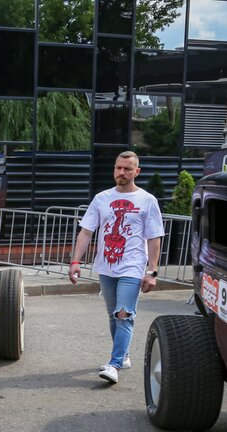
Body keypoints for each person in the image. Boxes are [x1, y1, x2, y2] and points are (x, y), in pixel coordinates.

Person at [68, 151, 164, 384]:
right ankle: (125, 355)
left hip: (132, 266)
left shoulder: (147, 200)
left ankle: (114, 364)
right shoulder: (102, 198)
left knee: (124, 314)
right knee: (114, 315)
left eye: (127, 169)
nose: (122, 172)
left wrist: (152, 271)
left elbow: (154, 237)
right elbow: (86, 231)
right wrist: (75, 261)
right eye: (118, 168)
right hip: (106, 267)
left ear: (137, 172)